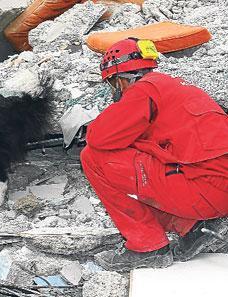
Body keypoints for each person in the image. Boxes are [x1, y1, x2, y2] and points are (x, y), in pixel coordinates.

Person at [80, 38, 228, 271]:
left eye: (112, 84)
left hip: (204, 191)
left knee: (92, 158)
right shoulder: (171, 85)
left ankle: (147, 246)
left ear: (120, 80)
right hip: (216, 187)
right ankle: (192, 227)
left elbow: (98, 138)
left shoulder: (143, 91)